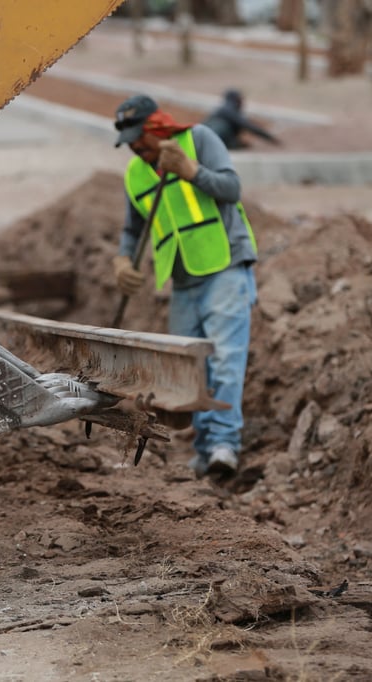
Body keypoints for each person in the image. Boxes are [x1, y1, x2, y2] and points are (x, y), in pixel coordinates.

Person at [111, 94, 258, 477]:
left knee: (226, 359)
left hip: (224, 263)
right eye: (129, 141)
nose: (135, 146)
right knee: (191, 369)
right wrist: (123, 259)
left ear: (158, 127)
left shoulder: (200, 139)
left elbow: (231, 188)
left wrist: (191, 170)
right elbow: (133, 228)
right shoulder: (136, 173)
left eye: (139, 137)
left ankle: (224, 445)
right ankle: (205, 446)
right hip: (182, 278)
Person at [201, 89, 280, 151]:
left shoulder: (220, 111)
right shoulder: (229, 111)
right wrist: (272, 139)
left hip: (204, 139)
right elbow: (249, 126)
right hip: (211, 141)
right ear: (236, 100)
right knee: (222, 126)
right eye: (240, 99)